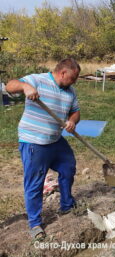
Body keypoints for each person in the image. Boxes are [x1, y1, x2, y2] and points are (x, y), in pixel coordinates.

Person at [6, 58, 81, 239]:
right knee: (35, 183)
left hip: (55, 140)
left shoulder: (70, 91)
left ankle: (66, 205)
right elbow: (9, 86)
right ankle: (35, 224)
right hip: (34, 141)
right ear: (63, 73)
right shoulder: (37, 80)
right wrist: (25, 88)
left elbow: (75, 111)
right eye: (73, 78)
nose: (74, 82)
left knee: (68, 167)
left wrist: (72, 121)